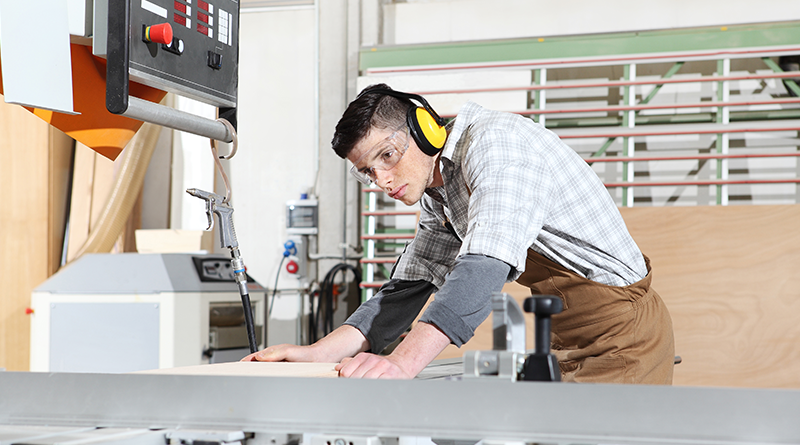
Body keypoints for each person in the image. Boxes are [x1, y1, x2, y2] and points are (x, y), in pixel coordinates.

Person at [243, 84, 675, 383]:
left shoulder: (497, 147)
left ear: (424, 129)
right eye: (368, 172)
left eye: (388, 156)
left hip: (623, 335)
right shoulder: (442, 189)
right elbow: (411, 287)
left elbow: (483, 267)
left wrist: (402, 363)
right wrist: (323, 351)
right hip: (570, 338)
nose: (382, 180)